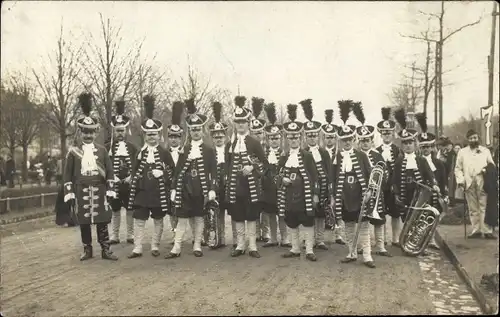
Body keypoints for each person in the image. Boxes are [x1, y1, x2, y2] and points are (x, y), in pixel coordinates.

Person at [63, 92, 118, 261]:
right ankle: (87, 249)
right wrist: (70, 192)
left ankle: (106, 249)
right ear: (80, 133)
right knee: (84, 222)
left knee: (102, 221)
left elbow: (109, 172)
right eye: (85, 132)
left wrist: (110, 190)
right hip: (81, 191)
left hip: (99, 191)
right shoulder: (73, 152)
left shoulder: (102, 151)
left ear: (95, 133)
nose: (88, 135)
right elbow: (67, 174)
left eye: (91, 132)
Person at [165, 98, 217, 259]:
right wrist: (174, 188)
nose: (195, 132)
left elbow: (213, 172)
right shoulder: (184, 149)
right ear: (190, 131)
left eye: (198, 129)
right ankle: (177, 247)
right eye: (193, 129)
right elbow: (178, 170)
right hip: (184, 189)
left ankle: (197, 245)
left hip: (201, 190)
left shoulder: (209, 150)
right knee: (181, 219)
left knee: (199, 218)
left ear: (202, 131)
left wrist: (212, 189)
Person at [127, 95, 175, 258]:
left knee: (158, 219)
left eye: (154, 134)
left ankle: (155, 245)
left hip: (157, 193)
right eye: (148, 135)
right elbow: (134, 171)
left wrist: (163, 174)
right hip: (142, 192)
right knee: (139, 220)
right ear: (145, 136)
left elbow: (173, 172)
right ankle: (138, 247)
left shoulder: (164, 153)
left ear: (158, 135)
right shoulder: (140, 153)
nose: (151, 137)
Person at [226, 96, 267, 258]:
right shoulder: (230, 145)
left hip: (251, 187)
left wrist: (253, 168)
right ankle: (240, 245)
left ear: (248, 123)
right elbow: (228, 166)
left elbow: (265, 165)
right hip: (236, 187)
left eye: (243, 122)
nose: (241, 125)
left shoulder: (254, 142)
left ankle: (252, 246)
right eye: (238, 122)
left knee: (250, 216)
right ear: (234, 124)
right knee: (238, 216)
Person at [276, 104, 319, 261]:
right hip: (288, 195)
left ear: (300, 138)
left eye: (296, 137)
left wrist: (315, 194)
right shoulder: (283, 156)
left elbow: (315, 177)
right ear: (287, 139)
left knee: (307, 222)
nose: (293, 140)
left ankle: (309, 250)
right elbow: (276, 175)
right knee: (291, 222)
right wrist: (282, 180)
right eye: (291, 137)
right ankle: (294, 249)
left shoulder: (307, 156)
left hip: (304, 195)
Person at [334, 101, 374, 268]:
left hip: (359, 196)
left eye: (349, 139)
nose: (347, 142)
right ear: (341, 141)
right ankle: (351, 252)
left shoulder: (361, 156)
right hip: (344, 197)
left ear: (353, 139)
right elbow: (333, 178)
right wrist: (332, 197)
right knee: (349, 226)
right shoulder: (337, 157)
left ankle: (367, 255)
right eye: (344, 140)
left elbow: (371, 176)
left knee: (363, 226)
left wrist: (369, 192)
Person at [391, 108, 439, 249]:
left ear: (414, 144)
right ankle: (407, 240)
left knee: (420, 218)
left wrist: (434, 185)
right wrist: (396, 193)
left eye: (410, 143)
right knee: (406, 218)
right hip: (405, 195)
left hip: (419, 195)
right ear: (402, 145)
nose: (407, 146)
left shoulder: (421, 160)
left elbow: (429, 175)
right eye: (404, 143)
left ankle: (420, 243)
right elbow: (395, 179)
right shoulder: (399, 161)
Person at [353, 102, 391, 258]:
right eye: (362, 141)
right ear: (359, 142)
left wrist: (379, 187)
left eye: (367, 140)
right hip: (361, 192)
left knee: (379, 219)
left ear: (371, 140)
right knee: (363, 220)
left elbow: (385, 172)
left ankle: (381, 246)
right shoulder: (355, 156)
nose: (365, 143)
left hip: (376, 193)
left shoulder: (377, 155)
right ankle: (363, 246)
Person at [300, 99, 332, 250]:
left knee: (320, 214)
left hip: (323, 187)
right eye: (309, 135)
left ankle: (319, 239)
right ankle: (308, 239)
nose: (312, 138)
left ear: (317, 136)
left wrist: (328, 190)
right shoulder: (303, 152)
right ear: (305, 137)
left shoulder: (324, 152)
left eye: (314, 135)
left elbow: (328, 170)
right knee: (308, 214)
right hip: (308, 187)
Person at [454, 129, 496, 239]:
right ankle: (476, 229)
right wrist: (460, 180)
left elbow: (492, 165)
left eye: (475, 138)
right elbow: (458, 169)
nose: (474, 140)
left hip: (482, 180)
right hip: (468, 181)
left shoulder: (485, 151)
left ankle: (486, 230)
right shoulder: (462, 152)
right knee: (472, 207)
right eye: (471, 138)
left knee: (484, 205)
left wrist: (486, 170)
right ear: (468, 139)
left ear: (478, 138)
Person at [106, 100, 138, 246]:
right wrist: (113, 178)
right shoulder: (108, 148)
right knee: (115, 209)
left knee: (130, 209)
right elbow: (105, 166)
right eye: (117, 130)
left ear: (126, 131)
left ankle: (131, 234)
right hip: (115, 184)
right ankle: (115, 235)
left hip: (130, 184)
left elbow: (138, 164)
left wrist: (132, 176)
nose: (120, 133)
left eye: (122, 130)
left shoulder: (132, 148)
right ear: (114, 131)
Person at [415, 112, 448, 251]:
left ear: (431, 147)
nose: (426, 149)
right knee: (421, 217)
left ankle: (432, 239)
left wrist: (444, 192)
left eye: (428, 146)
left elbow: (443, 179)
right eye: (423, 147)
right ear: (420, 148)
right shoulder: (416, 161)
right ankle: (420, 239)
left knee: (434, 216)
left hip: (435, 193)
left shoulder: (438, 163)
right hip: (422, 193)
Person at [261, 102, 290, 248]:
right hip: (268, 189)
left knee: (282, 213)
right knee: (270, 214)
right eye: (271, 138)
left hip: (281, 189)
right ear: (268, 139)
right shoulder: (264, 154)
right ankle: (273, 238)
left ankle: (285, 238)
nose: (274, 140)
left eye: (276, 138)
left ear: (280, 139)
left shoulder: (285, 154)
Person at [375, 107, 402, 246]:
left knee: (396, 213)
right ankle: (382, 239)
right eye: (384, 133)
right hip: (381, 187)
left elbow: (399, 170)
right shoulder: (376, 151)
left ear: (392, 134)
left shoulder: (398, 150)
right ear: (381, 134)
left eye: (389, 133)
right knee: (381, 212)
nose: (386, 136)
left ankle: (395, 239)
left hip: (393, 186)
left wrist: (396, 185)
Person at [321, 110, 345, 244]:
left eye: (332, 137)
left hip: (336, 183)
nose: (329, 140)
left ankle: (338, 235)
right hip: (323, 183)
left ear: (335, 139)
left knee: (338, 207)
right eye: (327, 137)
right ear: (324, 139)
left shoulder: (340, 153)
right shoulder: (319, 152)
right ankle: (320, 238)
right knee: (321, 208)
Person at [207, 101, 229, 249]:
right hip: (214, 184)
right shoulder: (209, 152)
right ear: (212, 138)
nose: (219, 139)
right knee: (214, 212)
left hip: (228, 184)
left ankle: (230, 239)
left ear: (225, 137)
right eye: (216, 137)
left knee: (233, 212)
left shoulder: (230, 151)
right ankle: (216, 239)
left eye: (221, 136)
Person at [249, 97, 270, 243]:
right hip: (253, 181)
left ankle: (266, 231)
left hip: (266, 181)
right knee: (255, 206)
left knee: (266, 208)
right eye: (255, 133)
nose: (258, 135)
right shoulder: (249, 148)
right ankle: (256, 232)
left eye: (260, 133)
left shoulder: (269, 148)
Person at [165, 101, 185, 242]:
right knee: (172, 211)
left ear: (180, 138)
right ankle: (175, 234)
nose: (173, 139)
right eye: (171, 137)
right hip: (169, 185)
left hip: (184, 185)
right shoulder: (164, 153)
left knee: (186, 210)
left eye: (176, 137)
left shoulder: (186, 152)